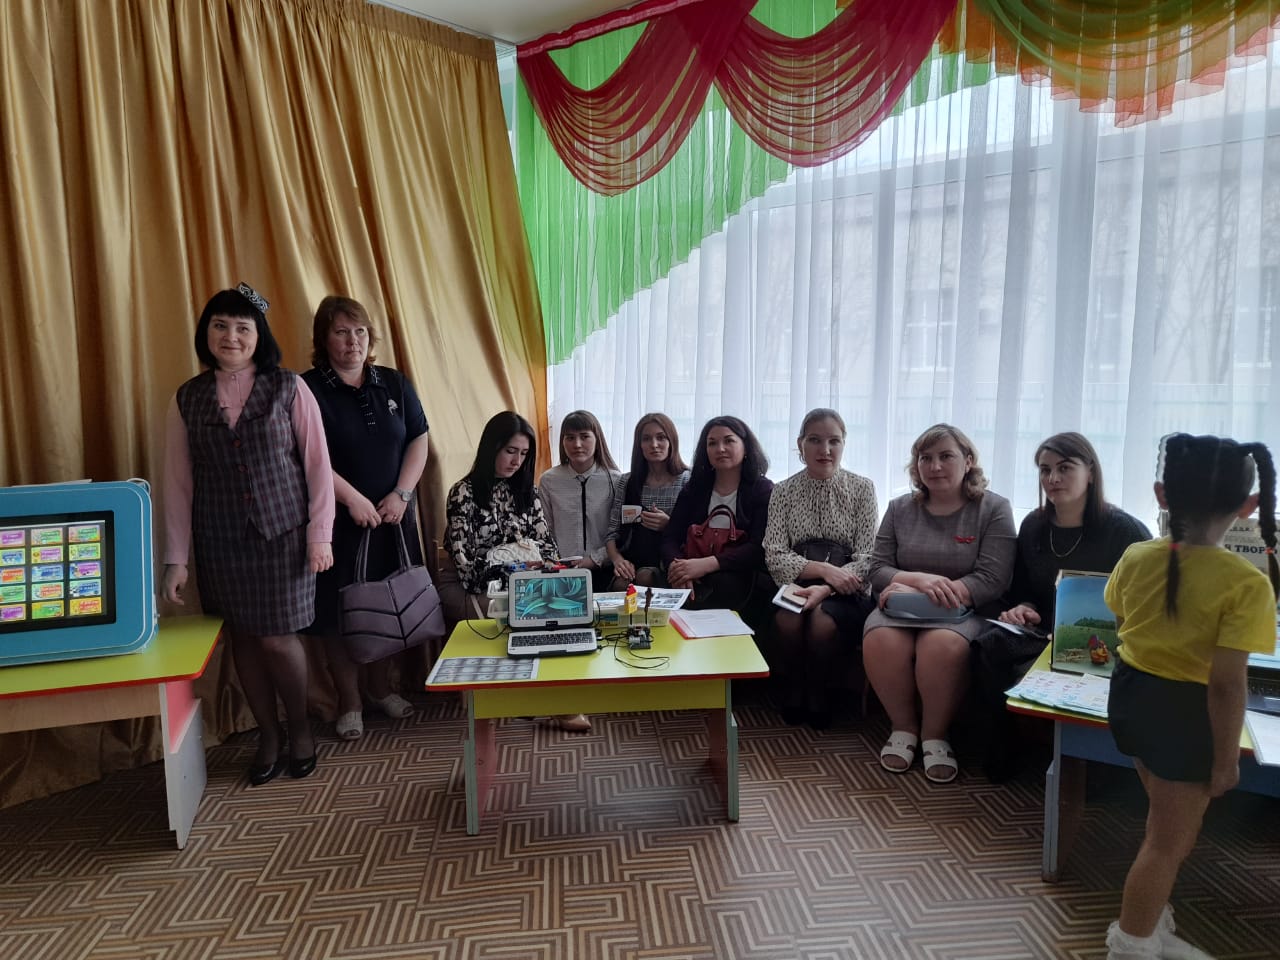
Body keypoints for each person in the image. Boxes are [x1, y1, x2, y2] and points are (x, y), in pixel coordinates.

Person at [1102, 434, 1278, 960]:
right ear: (1248, 506)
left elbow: (1121, 618)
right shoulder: (1246, 583)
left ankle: (1149, 918)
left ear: (1161, 494)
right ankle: (1131, 945)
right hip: (1185, 716)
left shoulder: (1136, 555)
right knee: (1167, 845)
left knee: (1162, 825)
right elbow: (1226, 685)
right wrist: (1226, 761)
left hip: (1131, 697)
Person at [162, 284, 334, 786]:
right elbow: (177, 482)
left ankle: (300, 729)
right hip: (220, 540)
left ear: (260, 336)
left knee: (278, 639)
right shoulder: (187, 398)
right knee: (244, 641)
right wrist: (177, 558)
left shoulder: (289, 387)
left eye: (243, 327)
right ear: (206, 333)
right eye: (220, 325)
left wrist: (320, 535)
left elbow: (318, 466)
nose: (231, 336)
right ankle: (268, 735)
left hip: (284, 537)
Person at [975, 432, 1151, 779]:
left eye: (1065, 468)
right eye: (1045, 470)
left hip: (1108, 638)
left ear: (1091, 473)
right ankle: (1003, 753)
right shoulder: (1034, 525)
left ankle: (1097, 769)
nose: (1052, 478)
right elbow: (1024, 590)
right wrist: (1023, 608)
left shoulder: (1125, 531)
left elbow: (1147, 603)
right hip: (1043, 632)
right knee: (989, 644)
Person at [301, 296, 430, 741]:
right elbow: (306, 455)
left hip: (393, 518)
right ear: (323, 339)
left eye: (359, 332)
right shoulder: (306, 389)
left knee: (389, 606)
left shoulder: (392, 382)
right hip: (335, 523)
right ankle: (349, 701)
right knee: (339, 617)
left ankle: (381, 689)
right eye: (341, 332)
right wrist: (352, 499)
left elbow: (419, 439)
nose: (352, 341)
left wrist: (402, 493)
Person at [863, 423, 1015, 783]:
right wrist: (919, 581)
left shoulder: (994, 508)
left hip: (964, 610)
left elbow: (993, 578)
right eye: (925, 458)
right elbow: (877, 568)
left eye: (946, 456)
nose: (934, 466)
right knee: (881, 640)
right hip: (899, 608)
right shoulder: (899, 508)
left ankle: (935, 734)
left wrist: (929, 593)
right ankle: (903, 728)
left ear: (968, 460)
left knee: (941, 646)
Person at [763, 409, 878, 729]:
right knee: (787, 619)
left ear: (844, 444)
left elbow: (868, 557)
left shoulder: (862, 488)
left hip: (846, 589)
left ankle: (819, 691)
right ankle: (794, 686)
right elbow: (774, 553)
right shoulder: (782, 491)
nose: (824, 450)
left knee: (822, 622)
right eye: (814, 440)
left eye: (833, 441)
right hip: (798, 580)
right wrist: (823, 571)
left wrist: (829, 585)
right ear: (800, 444)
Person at [439, 411, 558, 622]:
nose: (517, 461)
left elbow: (547, 547)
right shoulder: (463, 493)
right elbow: (467, 571)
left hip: (522, 584)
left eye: (524, 453)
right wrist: (518, 569)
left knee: (563, 603)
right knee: (530, 610)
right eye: (510, 451)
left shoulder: (527, 491)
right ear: (491, 448)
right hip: (469, 586)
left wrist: (545, 569)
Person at [662, 416, 774, 615]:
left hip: (738, 577)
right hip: (690, 570)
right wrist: (679, 568)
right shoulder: (694, 488)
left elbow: (759, 547)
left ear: (746, 447)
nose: (720, 449)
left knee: (722, 582)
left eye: (729, 441)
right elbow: (670, 538)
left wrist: (706, 565)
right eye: (712, 443)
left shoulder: (762, 489)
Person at [538, 410, 622, 591]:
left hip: (605, 570)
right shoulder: (548, 480)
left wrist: (594, 559)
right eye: (570, 438)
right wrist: (556, 561)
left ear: (597, 439)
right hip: (560, 572)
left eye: (584, 437)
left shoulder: (615, 480)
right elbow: (545, 530)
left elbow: (620, 531)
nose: (577, 444)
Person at [605, 413, 690, 590]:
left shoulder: (687, 480)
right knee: (622, 583)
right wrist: (617, 560)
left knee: (646, 578)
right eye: (646, 439)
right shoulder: (626, 481)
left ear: (672, 441)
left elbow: (696, 531)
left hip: (670, 561)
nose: (654, 444)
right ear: (639, 445)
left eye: (661, 437)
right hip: (632, 558)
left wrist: (669, 525)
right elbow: (612, 533)